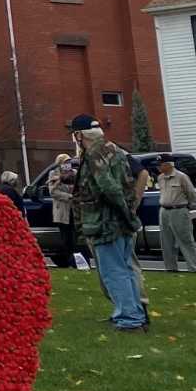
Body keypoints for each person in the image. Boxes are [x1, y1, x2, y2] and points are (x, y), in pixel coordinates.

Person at [67, 114, 149, 332]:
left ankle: (128, 319)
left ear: (79, 134)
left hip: (105, 223)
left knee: (113, 272)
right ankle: (136, 314)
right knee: (126, 270)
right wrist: (129, 212)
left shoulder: (94, 154)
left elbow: (108, 187)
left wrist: (125, 211)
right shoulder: (114, 149)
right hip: (120, 223)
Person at [154, 158, 196, 272]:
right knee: (166, 242)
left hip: (179, 210)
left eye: (160, 165)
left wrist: (188, 207)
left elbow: (191, 194)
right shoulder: (160, 178)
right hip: (164, 211)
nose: (158, 167)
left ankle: (194, 268)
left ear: (168, 165)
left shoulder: (181, 177)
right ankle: (170, 268)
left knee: (186, 240)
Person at [47, 153, 77, 268]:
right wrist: (68, 196)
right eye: (65, 162)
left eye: (69, 162)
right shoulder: (54, 174)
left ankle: (76, 261)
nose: (68, 164)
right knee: (66, 238)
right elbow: (53, 192)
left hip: (73, 209)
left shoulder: (73, 173)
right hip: (62, 209)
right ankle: (68, 261)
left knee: (75, 237)